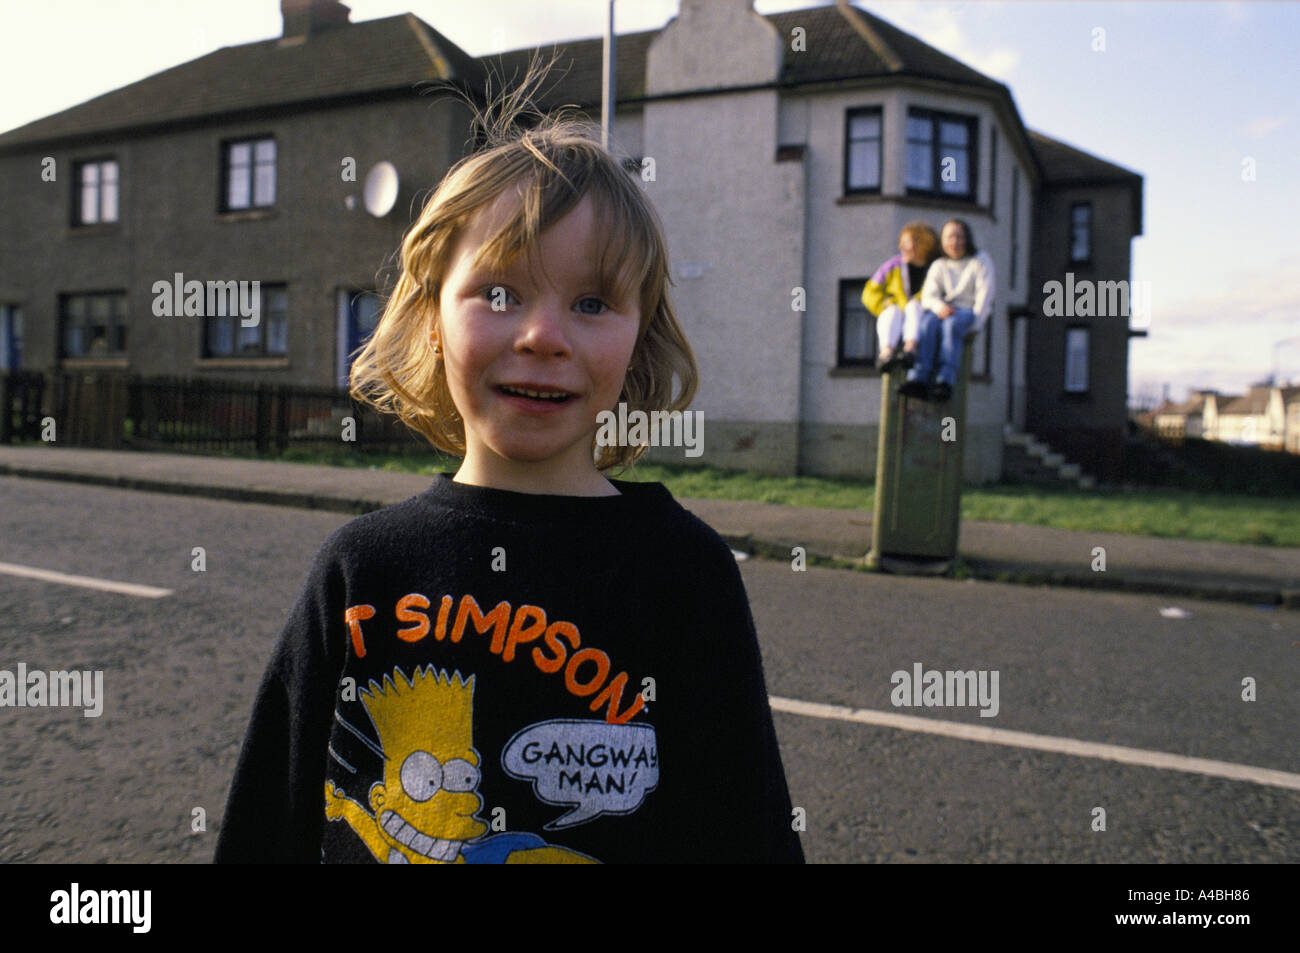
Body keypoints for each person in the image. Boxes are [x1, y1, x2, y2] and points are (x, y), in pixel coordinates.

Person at [213, 74, 804, 864]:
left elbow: (747, 836)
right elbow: (266, 826)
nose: (542, 335)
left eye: (592, 303)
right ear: (430, 320)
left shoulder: (684, 573)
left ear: (635, 346)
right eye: (498, 291)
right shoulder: (360, 570)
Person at [898, 219, 996, 403]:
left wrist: (975, 325)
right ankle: (918, 377)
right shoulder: (940, 265)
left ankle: (945, 379)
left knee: (951, 326)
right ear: (943, 241)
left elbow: (985, 294)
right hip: (943, 309)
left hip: (967, 311)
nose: (955, 242)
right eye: (950, 237)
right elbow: (928, 296)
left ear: (967, 239)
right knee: (926, 324)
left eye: (959, 236)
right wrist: (939, 306)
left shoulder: (980, 261)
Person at [861, 222, 940, 372]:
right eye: (901, 242)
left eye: (906, 242)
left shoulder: (935, 268)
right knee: (890, 312)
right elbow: (869, 292)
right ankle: (886, 353)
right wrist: (886, 303)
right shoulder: (892, 266)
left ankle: (910, 348)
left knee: (913, 307)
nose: (901, 247)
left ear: (922, 243)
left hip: (921, 316)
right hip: (896, 313)